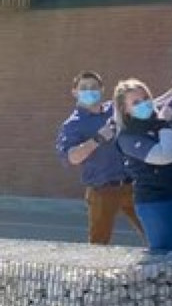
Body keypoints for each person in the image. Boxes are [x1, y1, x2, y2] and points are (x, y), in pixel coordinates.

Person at [114, 38, 172, 255]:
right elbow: (165, 155)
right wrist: (164, 124)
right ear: (125, 109)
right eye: (135, 102)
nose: (144, 103)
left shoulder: (160, 113)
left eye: (145, 98)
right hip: (157, 202)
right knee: (165, 259)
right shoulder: (127, 136)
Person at [56, 70, 145, 245]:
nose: (90, 91)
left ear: (102, 89)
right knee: (99, 242)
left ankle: (163, 269)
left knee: (154, 230)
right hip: (102, 190)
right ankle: (95, 272)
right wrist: (98, 139)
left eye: (94, 87)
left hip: (132, 185)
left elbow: (146, 105)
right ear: (74, 91)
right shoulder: (72, 124)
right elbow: (72, 157)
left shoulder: (114, 109)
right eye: (84, 88)